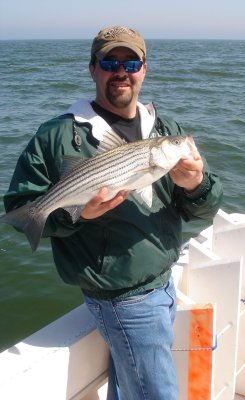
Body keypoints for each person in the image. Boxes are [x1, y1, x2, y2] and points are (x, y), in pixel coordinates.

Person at [4, 26, 223, 399]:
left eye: (131, 62)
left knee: (127, 387)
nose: (121, 70)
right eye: (109, 61)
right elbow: (19, 206)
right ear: (93, 69)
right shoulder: (55, 137)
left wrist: (196, 183)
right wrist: (77, 214)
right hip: (123, 300)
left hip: (162, 284)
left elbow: (200, 211)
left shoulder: (165, 129)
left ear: (144, 69)